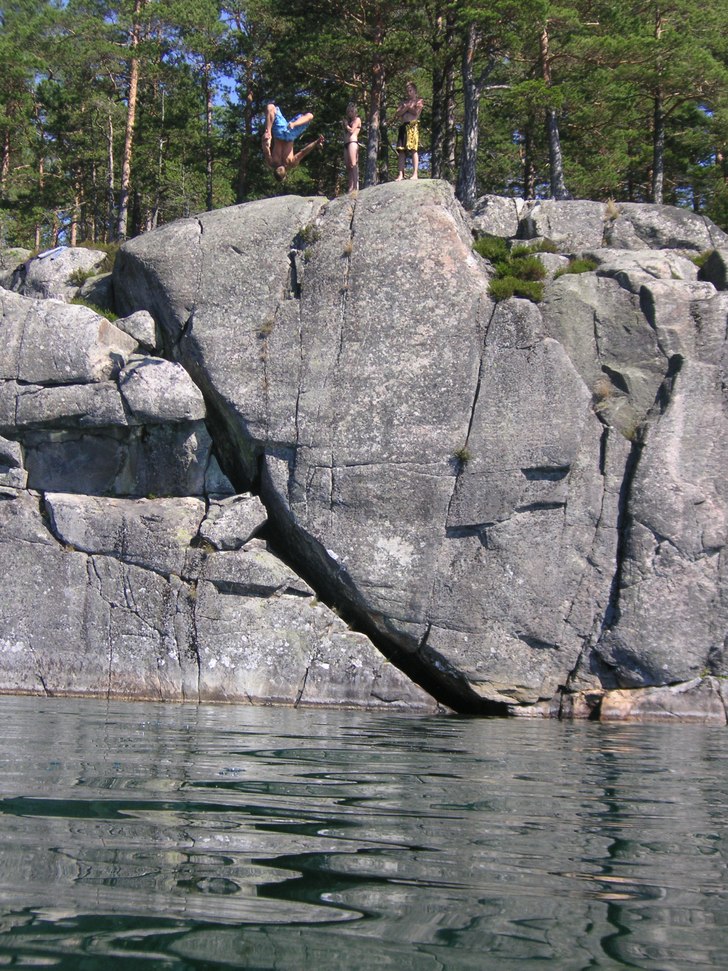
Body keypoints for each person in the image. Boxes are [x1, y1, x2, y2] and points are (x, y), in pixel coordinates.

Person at [261, 102, 324, 182]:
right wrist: (316, 142)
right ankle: (293, 124)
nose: (279, 170)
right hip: (288, 133)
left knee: (270, 107)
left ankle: (269, 132)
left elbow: (266, 150)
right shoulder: (290, 163)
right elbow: (303, 152)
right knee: (310, 116)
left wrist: (265, 140)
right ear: (285, 175)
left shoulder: (274, 162)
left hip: (280, 133)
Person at [394, 82, 424, 181]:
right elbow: (398, 113)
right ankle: (400, 174)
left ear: (415, 90)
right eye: (407, 90)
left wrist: (407, 107)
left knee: (413, 149)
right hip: (403, 126)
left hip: (412, 126)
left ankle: (415, 173)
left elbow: (416, 113)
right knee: (401, 151)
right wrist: (405, 107)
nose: (408, 92)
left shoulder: (419, 101)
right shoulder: (403, 102)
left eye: (410, 90)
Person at [342, 102, 362, 193]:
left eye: (352, 111)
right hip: (346, 143)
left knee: (353, 164)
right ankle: (350, 186)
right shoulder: (348, 121)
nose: (350, 113)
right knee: (348, 165)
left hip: (352, 142)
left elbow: (352, 130)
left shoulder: (357, 119)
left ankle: (355, 186)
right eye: (349, 111)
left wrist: (346, 125)